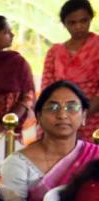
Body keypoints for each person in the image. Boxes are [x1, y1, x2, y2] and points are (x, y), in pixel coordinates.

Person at [0, 81, 99, 201]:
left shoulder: (95, 155)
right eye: (53, 108)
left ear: (84, 116)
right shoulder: (17, 165)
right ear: (39, 117)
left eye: (72, 107)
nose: (62, 115)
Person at [43, 0, 99, 138]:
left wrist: (81, 116)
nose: (79, 27)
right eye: (72, 23)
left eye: (83, 21)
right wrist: (62, 117)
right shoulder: (55, 52)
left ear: (91, 19)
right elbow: (48, 89)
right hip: (61, 119)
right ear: (64, 24)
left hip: (94, 119)